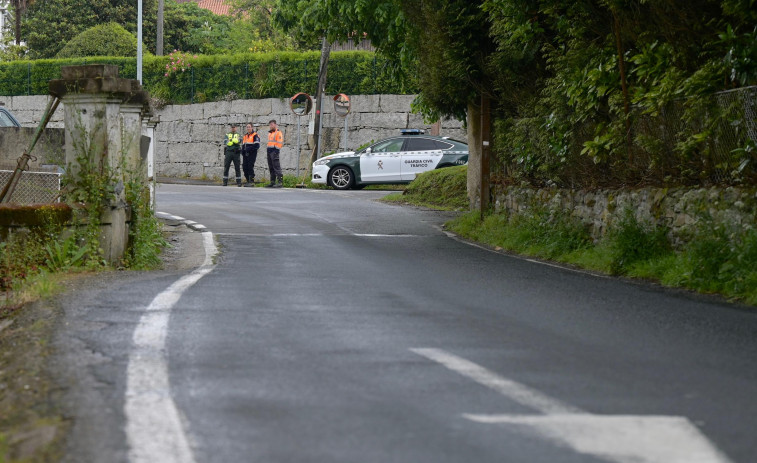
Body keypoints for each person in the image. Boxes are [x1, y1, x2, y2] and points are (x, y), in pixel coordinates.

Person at [266, 119, 284, 188]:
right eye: (270, 125)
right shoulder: (270, 133)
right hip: (269, 151)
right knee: (271, 167)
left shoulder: (278, 132)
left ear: (275, 125)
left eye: (272, 124)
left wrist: (276, 151)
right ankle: (272, 182)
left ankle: (280, 182)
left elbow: (279, 142)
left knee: (276, 167)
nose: (271, 126)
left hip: (274, 152)